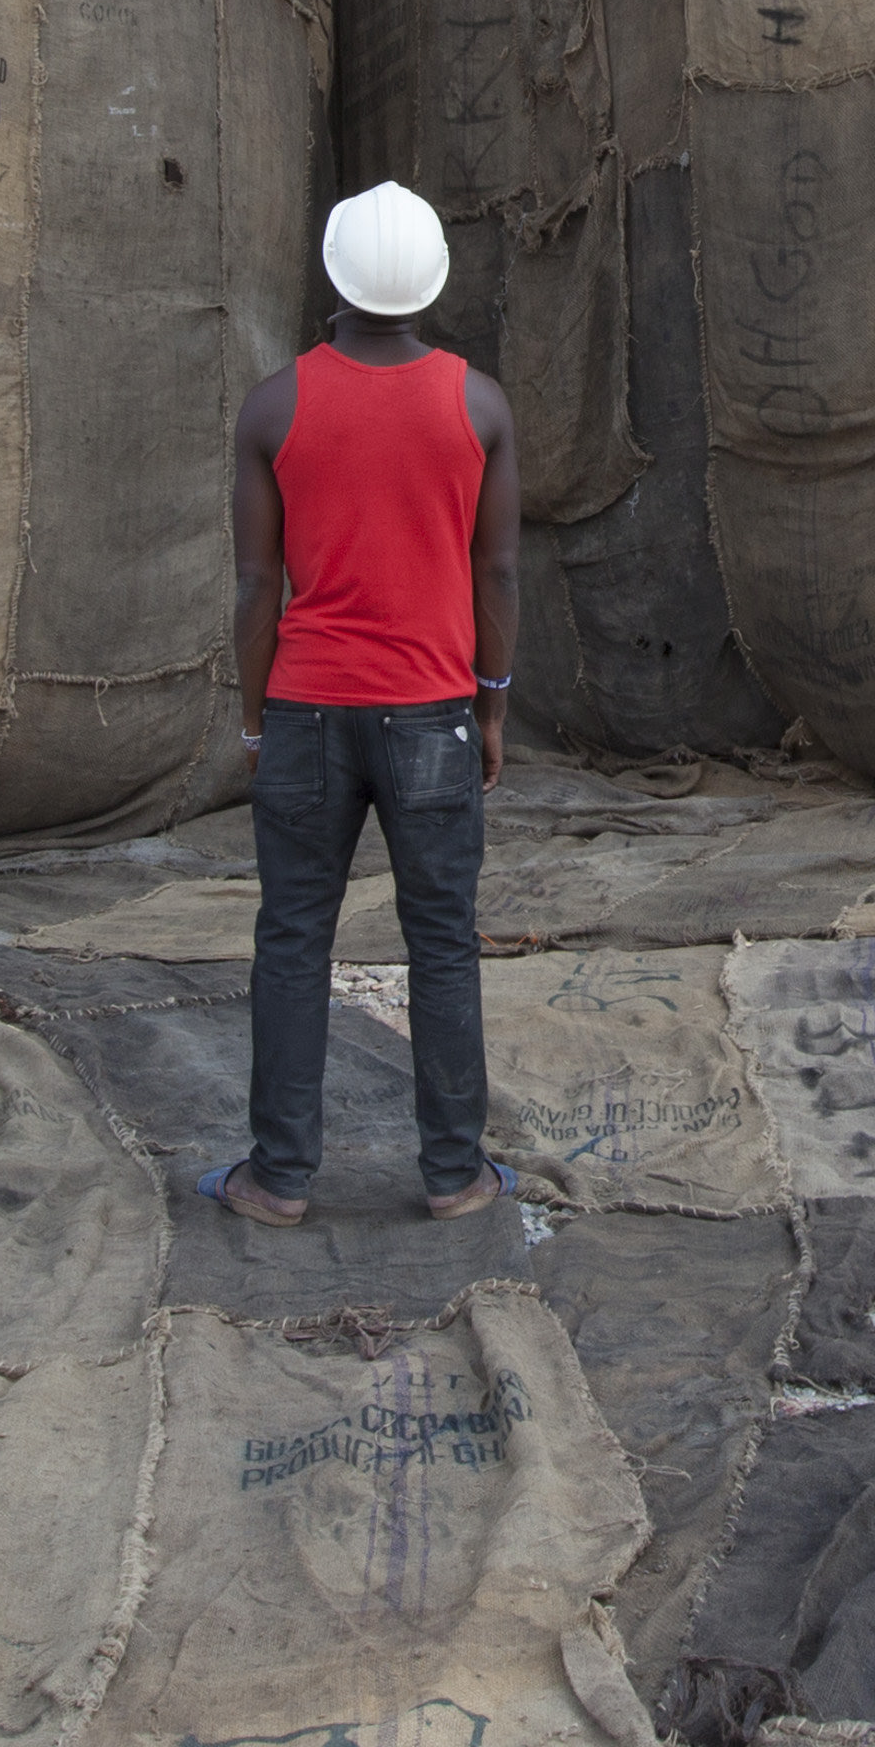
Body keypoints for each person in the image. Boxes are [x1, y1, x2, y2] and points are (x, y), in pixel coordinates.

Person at [210, 181, 518, 1225]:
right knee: (442, 941)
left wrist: (256, 717)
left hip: (307, 713)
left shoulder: (272, 405)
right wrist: (493, 708)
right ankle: (455, 1175)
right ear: (429, 282)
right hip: (433, 713)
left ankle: (279, 1179)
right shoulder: (478, 407)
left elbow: (258, 587)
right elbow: (501, 576)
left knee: (294, 937)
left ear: (333, 279)